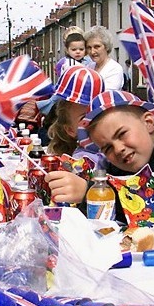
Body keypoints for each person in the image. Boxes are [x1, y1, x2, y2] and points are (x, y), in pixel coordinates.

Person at [68, 91, 154, 234]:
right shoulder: (116, 170)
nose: (118, 149)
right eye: (107, 148)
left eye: (122, 134)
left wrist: (93, 193)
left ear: (149, 123)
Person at [45, 66, 106, 203]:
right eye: (84, 118)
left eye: (99, 114)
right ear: (70, 130)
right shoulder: (80, 162)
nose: (94, 121)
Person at [84, 26, 124, 91]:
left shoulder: (115, 69)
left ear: (106, 47)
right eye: (89, 47)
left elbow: (106, 94)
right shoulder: (89, 67)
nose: (92, 52)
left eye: (97, 47)